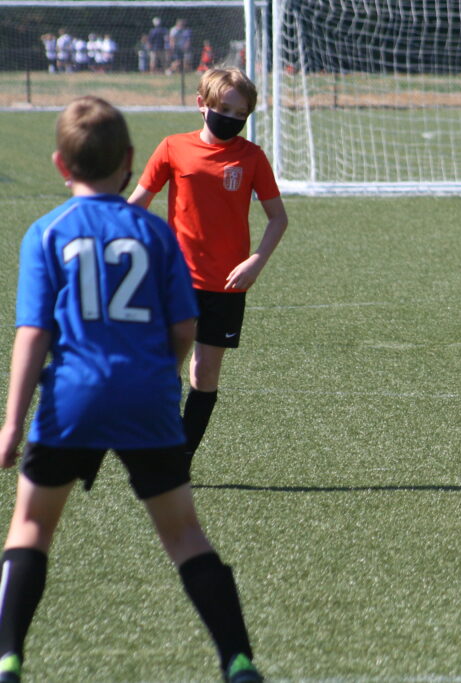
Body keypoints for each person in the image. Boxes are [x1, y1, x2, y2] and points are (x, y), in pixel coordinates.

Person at [0, 96, 263, 683]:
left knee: (32, 527)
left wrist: (13, 422)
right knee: (185, 535)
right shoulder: (153, 232)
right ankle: (238, 660)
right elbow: (184, 329)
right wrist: (157, 377)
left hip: (72, 399)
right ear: (128, 161)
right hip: (147, 399)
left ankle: (9, 658)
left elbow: (33, 334)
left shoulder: (47, 233)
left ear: (60, 165)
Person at [128, 68, 287, 469]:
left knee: (205, 374)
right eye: (223, 108)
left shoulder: (251, 158)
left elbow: (277, 218)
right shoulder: (173, 148)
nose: (231, 118)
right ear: (202, 105)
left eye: (240, 113)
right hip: (175, 281)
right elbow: (136, 205)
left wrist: (256, 261)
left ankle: (181, 457)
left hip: (227, 286)